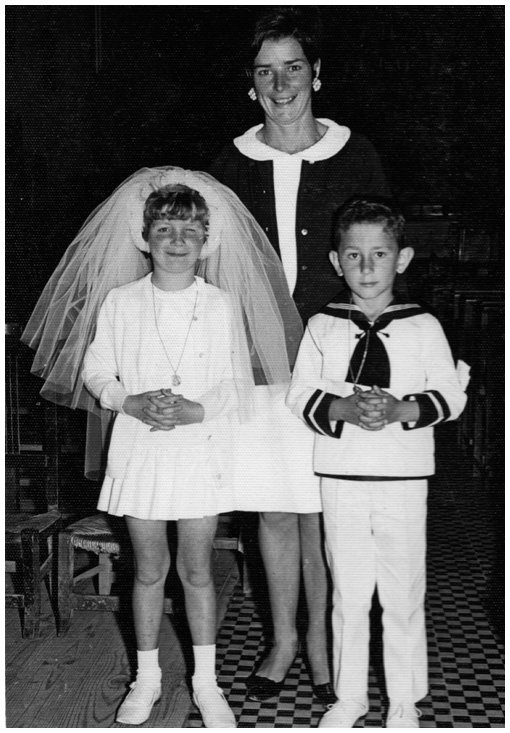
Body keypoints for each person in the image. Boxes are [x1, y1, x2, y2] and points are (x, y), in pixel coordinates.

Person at [21, 167, 303, 728]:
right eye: (165, 231)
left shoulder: (220, 304)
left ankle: (206, 683)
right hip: (140, 445)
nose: (177, 242)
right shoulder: (121, 301)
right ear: (144, 238)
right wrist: (129, 401)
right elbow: (97, 370)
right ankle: (145, 679)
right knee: (148, 569)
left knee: (197, 569)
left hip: (199, 446)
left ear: (206, 241)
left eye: (190, 232)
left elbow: (233, 381)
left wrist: (198, 410)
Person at [210, 6, 390, 703]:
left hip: (334, 357)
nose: (280, 84)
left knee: (325, 509)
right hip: (257, 361)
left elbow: (376, 256)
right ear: (250, 83)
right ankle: (282, 639)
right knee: (273, 507)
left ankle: (322, 641)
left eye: (293, 68)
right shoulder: (230, 163)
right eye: (266, 72)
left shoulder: (355, 153)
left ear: (316, 73)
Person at [286, 198, 470, 728]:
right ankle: (350, 698)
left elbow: (450, 396)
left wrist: (400, 409)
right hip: (340, 473)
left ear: (402, 258)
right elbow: (299, 393)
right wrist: (341, 408)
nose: (366, 267)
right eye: (354, 255)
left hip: (403, 476)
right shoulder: (323, 325)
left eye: (380, 254)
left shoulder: (423, 325)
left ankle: (404, 699)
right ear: (335, 261)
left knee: (402, 590)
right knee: (347, 591)